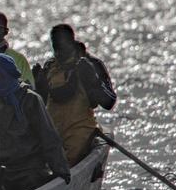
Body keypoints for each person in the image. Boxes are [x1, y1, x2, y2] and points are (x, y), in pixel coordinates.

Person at [0, 54, 71, 190]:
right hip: (1, 170)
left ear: (9, 74)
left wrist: (61, 169)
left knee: (30, 185)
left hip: (29, 168)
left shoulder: (30, 99)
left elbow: (48, 137)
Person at [35, 24, 116, 164]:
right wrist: (38, 85)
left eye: (63, 47)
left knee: (69, 158)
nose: (59, 53)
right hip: (54, 134)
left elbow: (109, 102)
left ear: (72, 43)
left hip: (81, 134)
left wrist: (93, 81)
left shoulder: (91, 64)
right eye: (56, 48)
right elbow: (39, 104)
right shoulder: (50, 66)